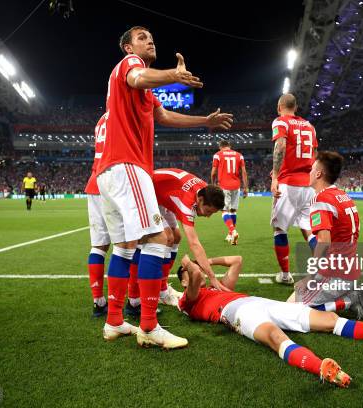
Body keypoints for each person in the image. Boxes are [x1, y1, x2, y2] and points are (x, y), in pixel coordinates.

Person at [95, 25, 233, 348]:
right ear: (129, 47)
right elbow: (139, 78)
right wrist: (175, 74)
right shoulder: (131, 67)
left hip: (110, 172)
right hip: (128, 165)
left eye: (151, 37)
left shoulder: (144, 90)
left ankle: (114, 321)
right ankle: (148, 326)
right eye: (141, 38)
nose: (149, 40)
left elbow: (164, 116)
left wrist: (205, 122)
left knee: (125, 247)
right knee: (159, 238)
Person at [177, 255, 363, 388]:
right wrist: (191, 263)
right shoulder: (187, 300)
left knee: (330, 320)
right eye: (189, 273)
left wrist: (207, 263)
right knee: (276, 338)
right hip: (237, 314)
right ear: (184, 281)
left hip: (259, 301)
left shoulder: (218, 287)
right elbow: (195, 273)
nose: (195, 272)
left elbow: (237, 259)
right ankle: (322, 369)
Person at [288, 151, 363, 320]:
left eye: (311, 169)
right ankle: (349, 291)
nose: (309, 172)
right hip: (349, 268)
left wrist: (310, 277)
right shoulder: (343, 195)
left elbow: (324, 242)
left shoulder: (321, 200)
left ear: (318, 173)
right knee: (297, 293)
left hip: (335, 273)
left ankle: (349, 299)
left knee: (290, 310)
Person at [136, 168, 225, 310]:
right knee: (167, 238)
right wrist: (212, 277)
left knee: (176, 237)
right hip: (147, 195)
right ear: (200, 200)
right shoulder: (187, 202)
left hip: (162, 195)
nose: (208, 216)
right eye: (208, 211)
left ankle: (162, 289)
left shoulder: (205, 191)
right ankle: (160, 292)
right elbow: (194, 244)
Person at [270, 93, 318, 285]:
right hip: (308, 184)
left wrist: (275, 176)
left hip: (288, 184)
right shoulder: (309, 126)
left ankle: (285, 275)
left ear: (279, 106)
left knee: (280, 229)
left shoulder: (280, 122)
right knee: (309, 229)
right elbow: (314, 154)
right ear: (296, 107)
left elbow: (280, 147)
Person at [85, 114, 110, 318]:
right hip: (113, 181)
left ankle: (98, 301)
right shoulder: (124, 112)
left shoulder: (100, 120)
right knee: (130, 244)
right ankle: (135, 301)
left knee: (98, 246)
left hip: (94, 182)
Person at [211, 141, 248, 245]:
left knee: (224, 211)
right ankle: (230, 235)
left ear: (220, 147)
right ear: (229, 146)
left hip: (224, 186)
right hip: (236, 186)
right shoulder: (239, 155)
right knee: (233, 211)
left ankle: (233, 231)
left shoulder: (217, 155)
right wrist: (245, 187)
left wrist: (213, 184)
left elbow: (213, 172)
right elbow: (244, 172)